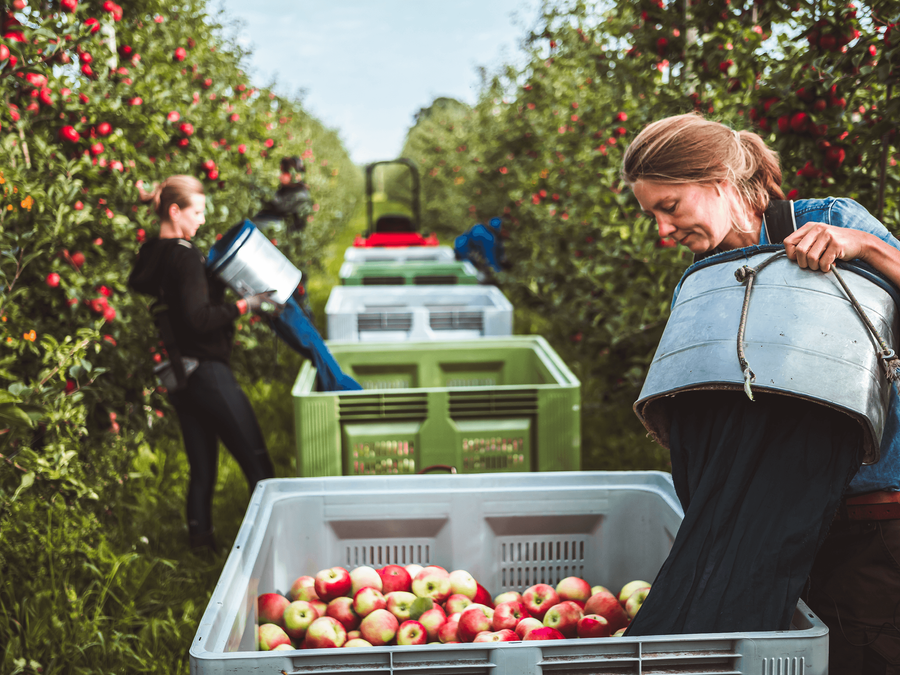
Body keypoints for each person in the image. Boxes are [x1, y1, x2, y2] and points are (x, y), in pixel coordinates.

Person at [621, 113, 900, 671]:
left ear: (720, 180)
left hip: (867, 517)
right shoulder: (705, 283)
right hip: (763, 524)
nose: (662, 231)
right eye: (651, 214)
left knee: (859, 654)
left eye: (669, 207)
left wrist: (862, 245)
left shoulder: (827, 220)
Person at [128, 175, 277, 552]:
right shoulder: (186, 256)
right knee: (259, 465)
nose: (202, 220)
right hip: (208, 373)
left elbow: (169, 306)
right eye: (197, 211)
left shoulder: (151, 255)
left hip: (180, 375)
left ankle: (201, 547)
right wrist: (246, 304)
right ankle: (274, 545)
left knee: (202, 467)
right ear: (175, 211)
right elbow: (198, 318)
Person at [253, 156, 314, 234]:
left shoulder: (300, 195)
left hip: (282, 232)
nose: (280, 176)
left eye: (283, 172)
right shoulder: (288, 188)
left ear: (293, 175)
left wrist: (265, 191)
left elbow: (279, 205)